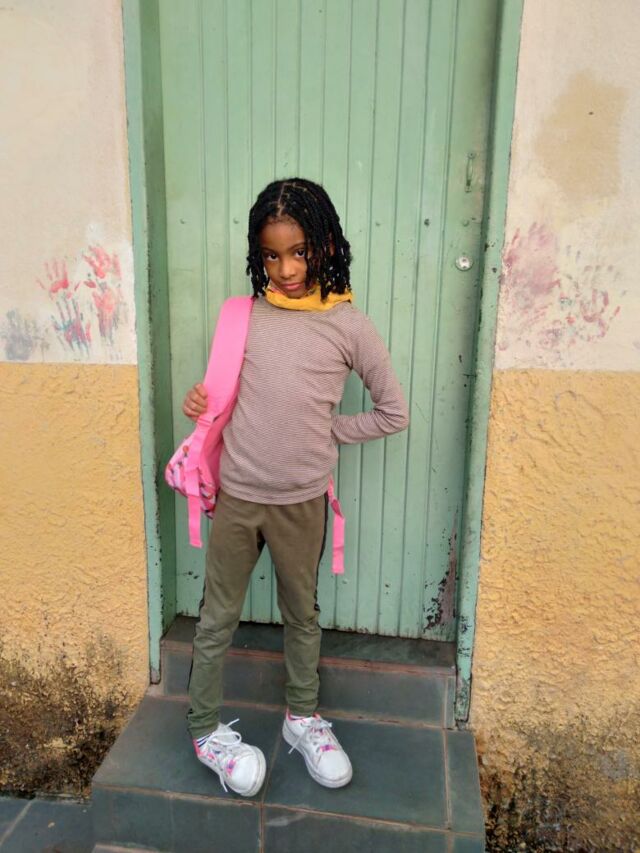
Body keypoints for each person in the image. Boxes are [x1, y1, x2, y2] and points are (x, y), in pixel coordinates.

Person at [182, 178, 409, 797]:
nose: (285, 270)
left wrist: (328, 429)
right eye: (271, 255)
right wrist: (198, 403)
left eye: (299, 252)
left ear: (326, 245)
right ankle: (204, 730)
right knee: (216, 617)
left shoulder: (349, 325)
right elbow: (222, 400)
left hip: (302, 501)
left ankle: (302, 719)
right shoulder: (243, 318)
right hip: (238, 496)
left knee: (301, 615)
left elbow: (394, 411)